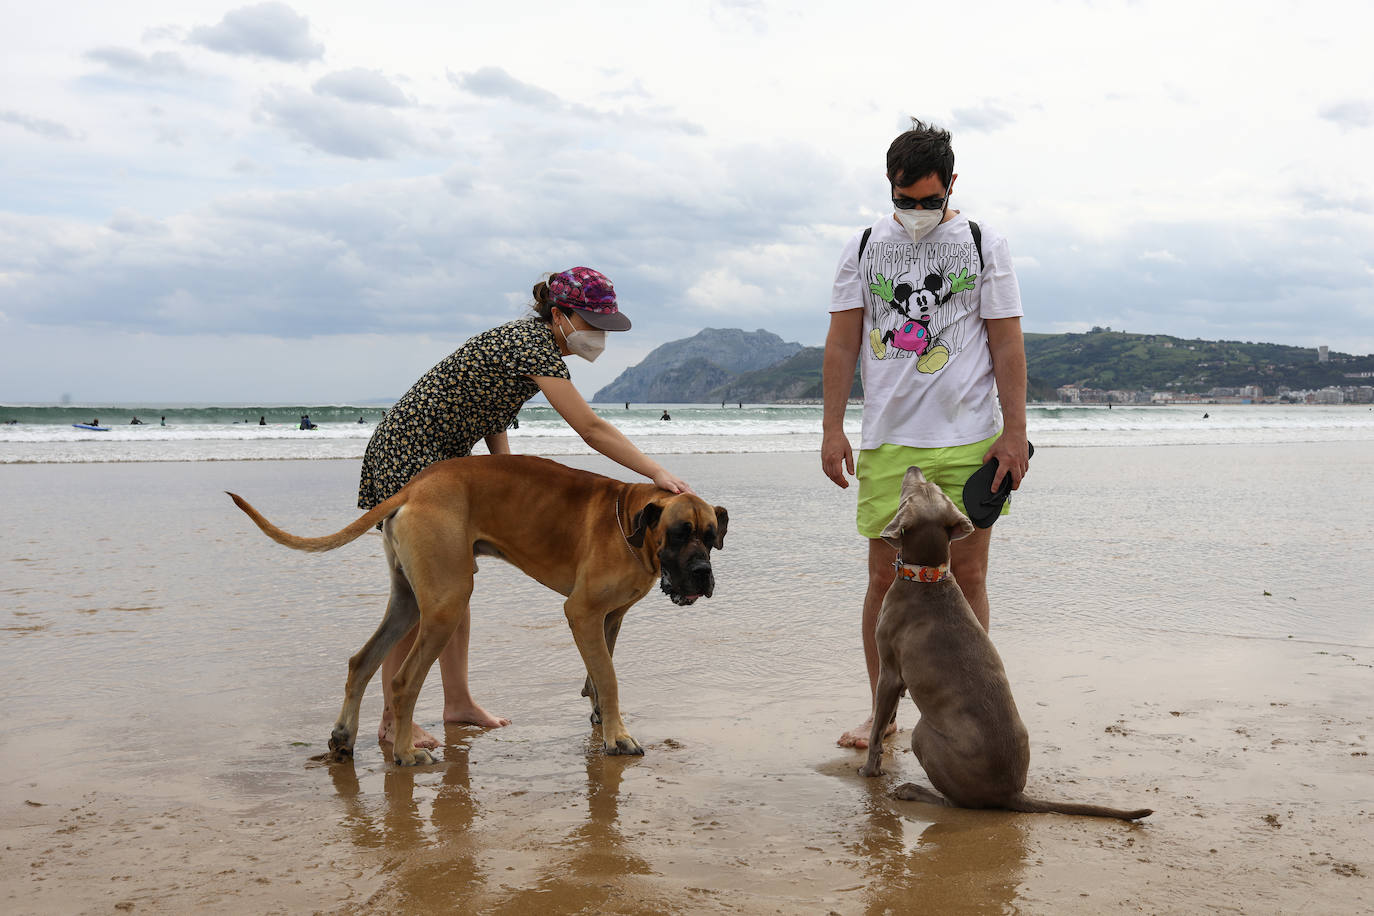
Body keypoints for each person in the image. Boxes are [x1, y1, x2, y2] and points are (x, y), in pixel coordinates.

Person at [357, 266, 692, 749]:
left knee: (452, 594)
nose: (598, 335)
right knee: (420, 599)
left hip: (449, 461)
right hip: (410, 456)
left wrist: (510, 483)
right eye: (591, 322)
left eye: (604, 325)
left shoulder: (535, 344)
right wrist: (655, 473)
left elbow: (493, 417)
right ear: (559, 315)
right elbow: (591, 429)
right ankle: (393, 719)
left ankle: (458, 702)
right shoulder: (531, 345)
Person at [821, 119, 1031, 749]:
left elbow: (1007, 341)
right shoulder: (862, 245)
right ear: (890, 187)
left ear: (952, 185)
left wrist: (1014, 431)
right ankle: (883, 716)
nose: (916, 212)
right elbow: (841, 342)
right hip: (890, 438)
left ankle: (969, 711)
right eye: (904, 201)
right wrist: (832, 428)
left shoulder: (983, 242)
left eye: (929, 201)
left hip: (970, 436)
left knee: (965, 580)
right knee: (885, 582)